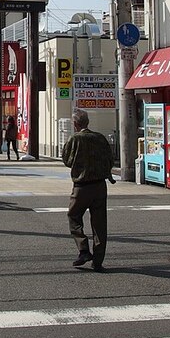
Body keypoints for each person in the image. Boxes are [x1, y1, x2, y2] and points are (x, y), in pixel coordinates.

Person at [61, 108, 115, 272]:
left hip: (82, 186)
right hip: (100, 185)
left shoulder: (75, 139)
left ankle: (84, 249)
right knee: (99, 224)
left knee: (74, 216)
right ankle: (98, 261)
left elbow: (67, 160)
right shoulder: (99, 138)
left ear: (75, 124)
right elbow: (110, 159)